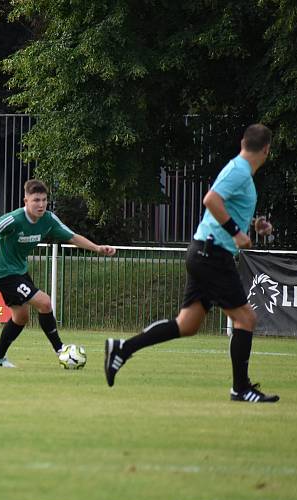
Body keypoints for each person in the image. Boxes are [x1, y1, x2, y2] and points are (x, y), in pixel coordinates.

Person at [104, 123, 277, 402]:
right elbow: (211, 200)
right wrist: (237, 233)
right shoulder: (239, 171)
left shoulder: (240, 171)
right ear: (267, 149)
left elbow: (225, 208)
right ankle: (241, 388)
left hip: (205, 252)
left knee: (187, 324)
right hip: (212, 254)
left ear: (242, 142)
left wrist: (255, 225)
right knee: (246, 317)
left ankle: (122, 349)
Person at [0, 179, 116, 367]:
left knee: (21, 317)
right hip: (3, 274)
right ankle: (61, 350)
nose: (41, 204)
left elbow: (71, 236)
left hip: (19, 272)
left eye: (44, 200)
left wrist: (97, 248)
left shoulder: (48, 219)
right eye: (36, 200)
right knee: (44, 302)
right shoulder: (13, 219)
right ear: (26, 201)